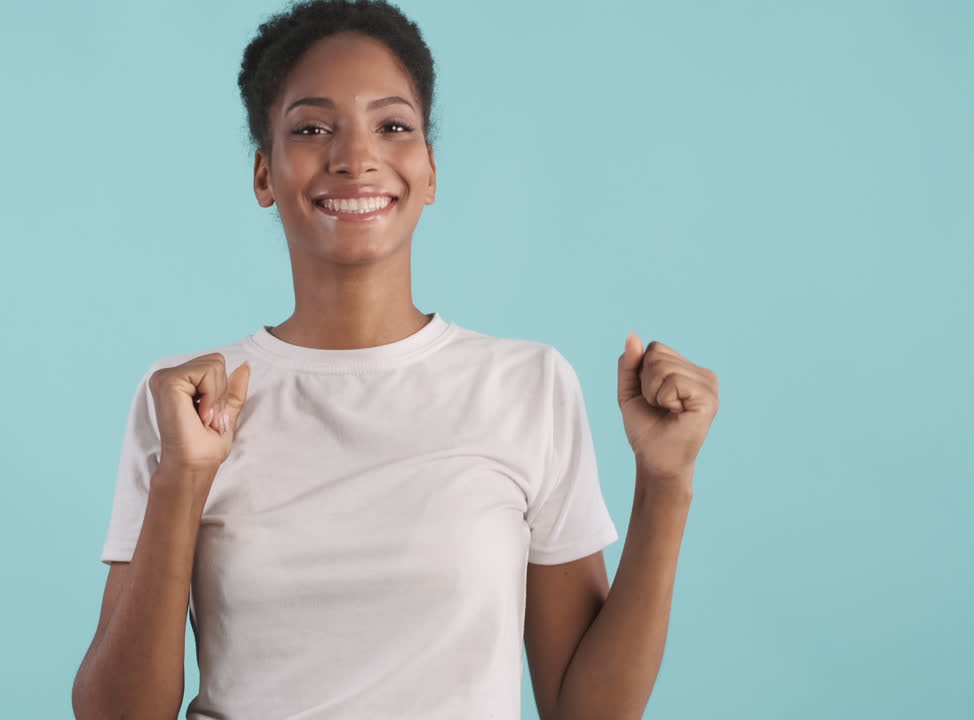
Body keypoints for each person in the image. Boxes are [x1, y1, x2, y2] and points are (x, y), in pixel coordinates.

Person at [72, 2, 719, 719]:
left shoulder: (526, 386)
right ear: (264, 174)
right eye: (312, 129)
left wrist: (665, 484)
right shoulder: (187, 402)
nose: (355, 158)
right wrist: (181, 479)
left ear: (430, 171)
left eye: (393, 126)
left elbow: (586, 711)